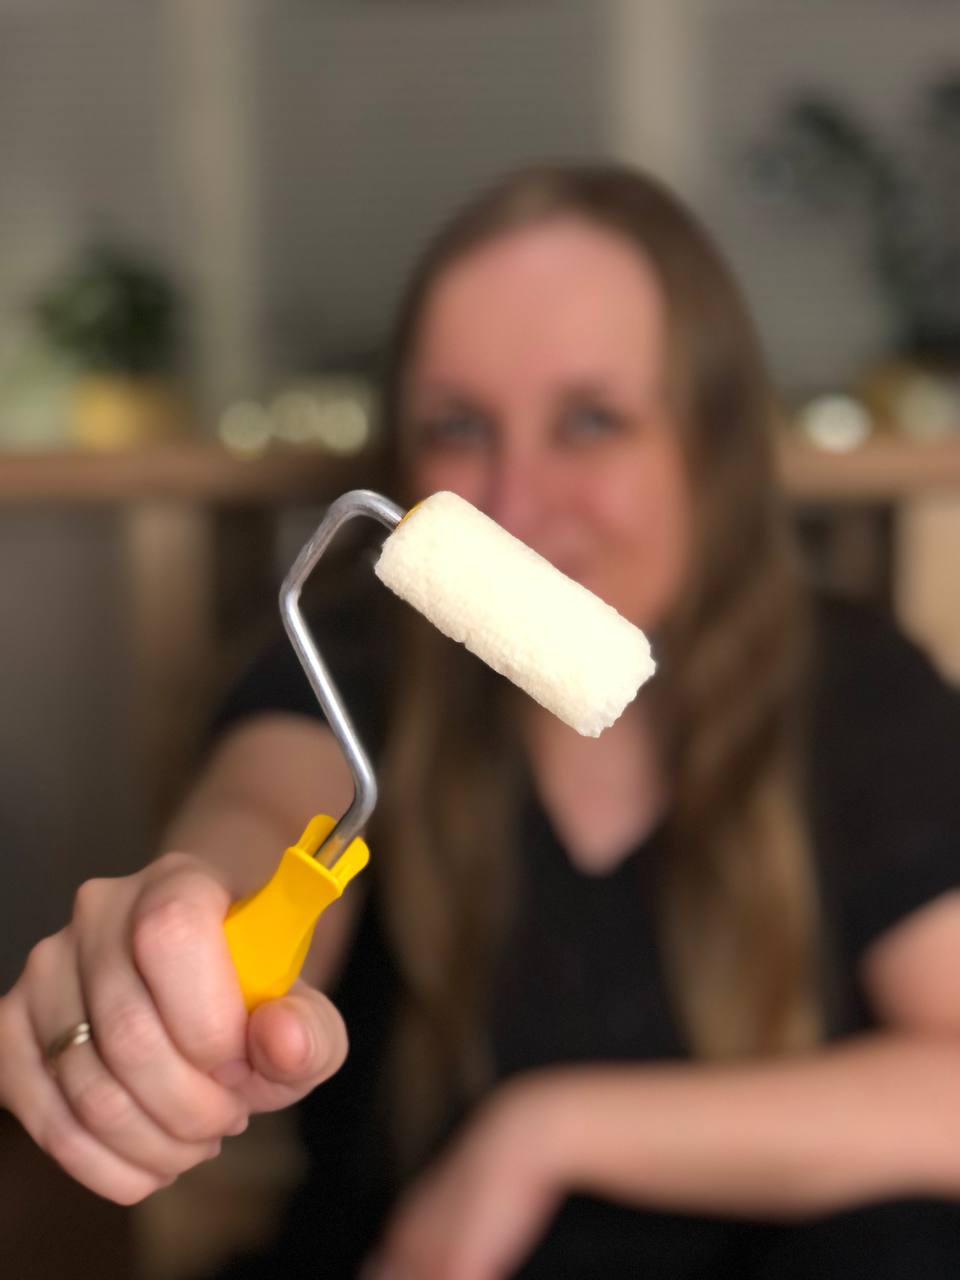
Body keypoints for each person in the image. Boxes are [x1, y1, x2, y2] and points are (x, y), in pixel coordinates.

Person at [3, 164, 960, 1280]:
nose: (513, 502)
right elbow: (258, 812)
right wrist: (171, 949)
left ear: (710, 449)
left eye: (590, 421)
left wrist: (544, 1133)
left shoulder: (855, 686)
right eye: (459, 425)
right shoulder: (352, 665)